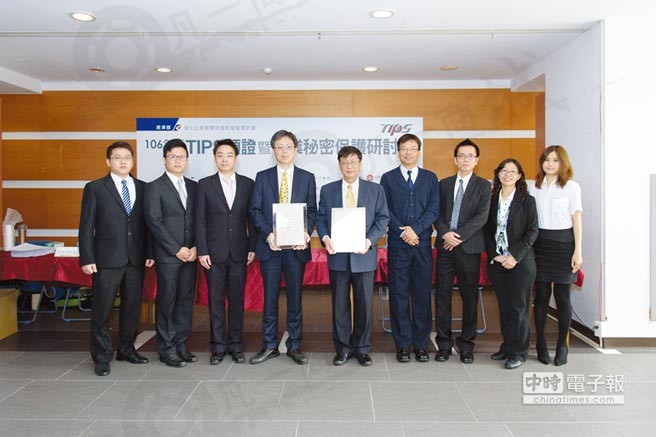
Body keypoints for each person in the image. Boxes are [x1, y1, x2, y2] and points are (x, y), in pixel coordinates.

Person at [79, 141, 154, 377]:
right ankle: (101, 357)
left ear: (133, 161)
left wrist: (150, 253)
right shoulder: (95, 188)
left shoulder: (143, 188)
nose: (123, 161)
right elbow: (86, 226)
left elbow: (148, 225)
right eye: (117, 157)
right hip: (106, 259)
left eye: (127, 158)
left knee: (132, 308)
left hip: (136, 258)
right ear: (108, 161)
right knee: (102, 309)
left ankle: (126, 349)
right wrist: (86, 257)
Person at [316, 146, 390, 366]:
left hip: (363, 255)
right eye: (345, 162)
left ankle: (362, 348)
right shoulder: (328, 190)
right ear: (339, 165)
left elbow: (383, 218)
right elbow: (321, 218)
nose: (349, 166)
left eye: (353, 162)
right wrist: (325, 237)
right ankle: (342, 349)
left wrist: (369, 241)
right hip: (338, 256)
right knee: (339, 305)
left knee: (364, 304)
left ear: (360, 164)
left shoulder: (375, 190)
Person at [249, 130, 317, 365]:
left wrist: (306, 232)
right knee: (269, 299)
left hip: (296, 248)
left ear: (295, 150)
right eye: (279, 147)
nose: (284, 151)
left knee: (295, 299)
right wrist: (268, 234)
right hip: (271, 248)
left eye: (288, 146)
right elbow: (255, 210)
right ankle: (269, 345)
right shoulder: (263, 177)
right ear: (273, 150)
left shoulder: (307, 177)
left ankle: (294, 345)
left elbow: (312, 211)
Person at [196, 139, 256, 365]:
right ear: (214, 158)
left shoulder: (248, 184)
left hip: (240, 251)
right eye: (220, 155)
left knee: (237, 300)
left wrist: (252, 247)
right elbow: (200, 220)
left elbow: (251, 218)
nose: (224, 159)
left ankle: (236, 345)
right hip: (213, 253)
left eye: (229, 155)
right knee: (216, 301)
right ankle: (218, 347)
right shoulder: (204, 184)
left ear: (236, 158)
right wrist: (202, 250)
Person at [380, 133, 439, 363]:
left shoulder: (430, 178)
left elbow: (434, 209)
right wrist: (404, 232)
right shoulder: (388, 178)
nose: (408, 152)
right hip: (398, 245)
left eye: (412, 148)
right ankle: (403, 345)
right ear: (398, 152)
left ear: (419, 151)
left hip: (422, 244)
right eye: (404, 148)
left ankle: (421, 345)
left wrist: (416, 229)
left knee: (422, 295)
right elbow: (384, 210)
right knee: (399, 295)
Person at [434, 138, 491, 364]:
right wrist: (444, 233)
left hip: (469, 248)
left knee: (469, 296)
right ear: (455, 159)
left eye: (470, 156)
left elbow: (481, 217)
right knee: (442, 296)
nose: (465, 159)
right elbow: (436, 213)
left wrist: (457, 237)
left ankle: (466, 344)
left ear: (476, 160)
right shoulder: (444, 184)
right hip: (445, 247)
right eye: (461, 155)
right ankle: (444, 344)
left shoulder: (484, 186)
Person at [144, 139, 197, 368]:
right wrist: (176, 249)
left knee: (185, 301)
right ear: (165, 159)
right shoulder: (154, 187)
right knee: (167, 301)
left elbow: (199, 220)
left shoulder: (194, 187)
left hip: (191, 254)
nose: (178, 161)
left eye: (182, 157)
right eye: (173, 156)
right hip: (168, 256)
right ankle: (166, 349)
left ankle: (180, 344)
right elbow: (154, 222)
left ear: (187, 160)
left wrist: (195, 247)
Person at [529, 145, 583, 366]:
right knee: (541, 295)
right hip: (539, 244)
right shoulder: (534, 187)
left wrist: (578, 251)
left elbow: (577, 220)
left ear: (563, 163)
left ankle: (562, 344)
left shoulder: (571, 187)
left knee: (562, 297)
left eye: (555, 160)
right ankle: (540, 343)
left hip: (564, 245)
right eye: (547, 160)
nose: (550, 164)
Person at [484, 158, 538, 369]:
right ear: (498, 174)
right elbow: (487, 231)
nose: (507, 174)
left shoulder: (527, 200)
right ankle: (507, 346)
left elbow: (532, 231)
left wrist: (514, 256)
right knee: (505, 307)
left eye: (512, 171)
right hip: (497, 261)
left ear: (519, 176)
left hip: (520, 262)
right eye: (504, 171)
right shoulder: (491, 199)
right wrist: (495, 254)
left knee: (519, 308)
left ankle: (519, 352)